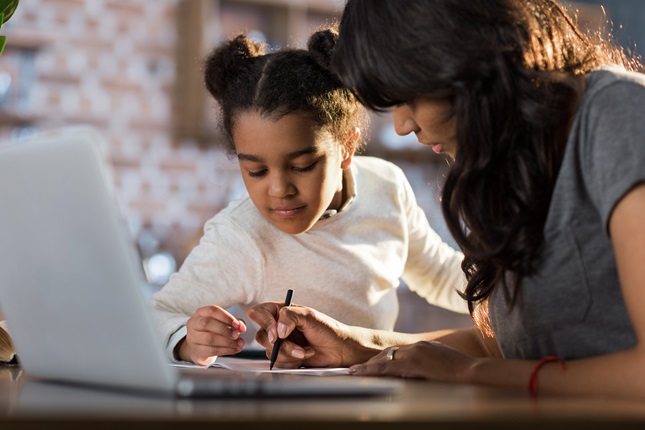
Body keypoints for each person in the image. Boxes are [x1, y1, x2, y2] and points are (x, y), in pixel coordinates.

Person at [248, 0, 645, 398]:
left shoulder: (619, 114)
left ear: (463, 56)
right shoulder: (516, 159)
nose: (403, 125)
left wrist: (472, 373)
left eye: (408, 97)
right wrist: (358, 346)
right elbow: (507, 348)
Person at [150, 27, 468, 366]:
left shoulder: (385, 185)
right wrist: (186, 339)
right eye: (256, 172)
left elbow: (439, 274)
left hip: (378, 397)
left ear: (347, 146)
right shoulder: (241, 236)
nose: (278, 190)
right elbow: (155, 315)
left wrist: (513, 291)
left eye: (302, 165)